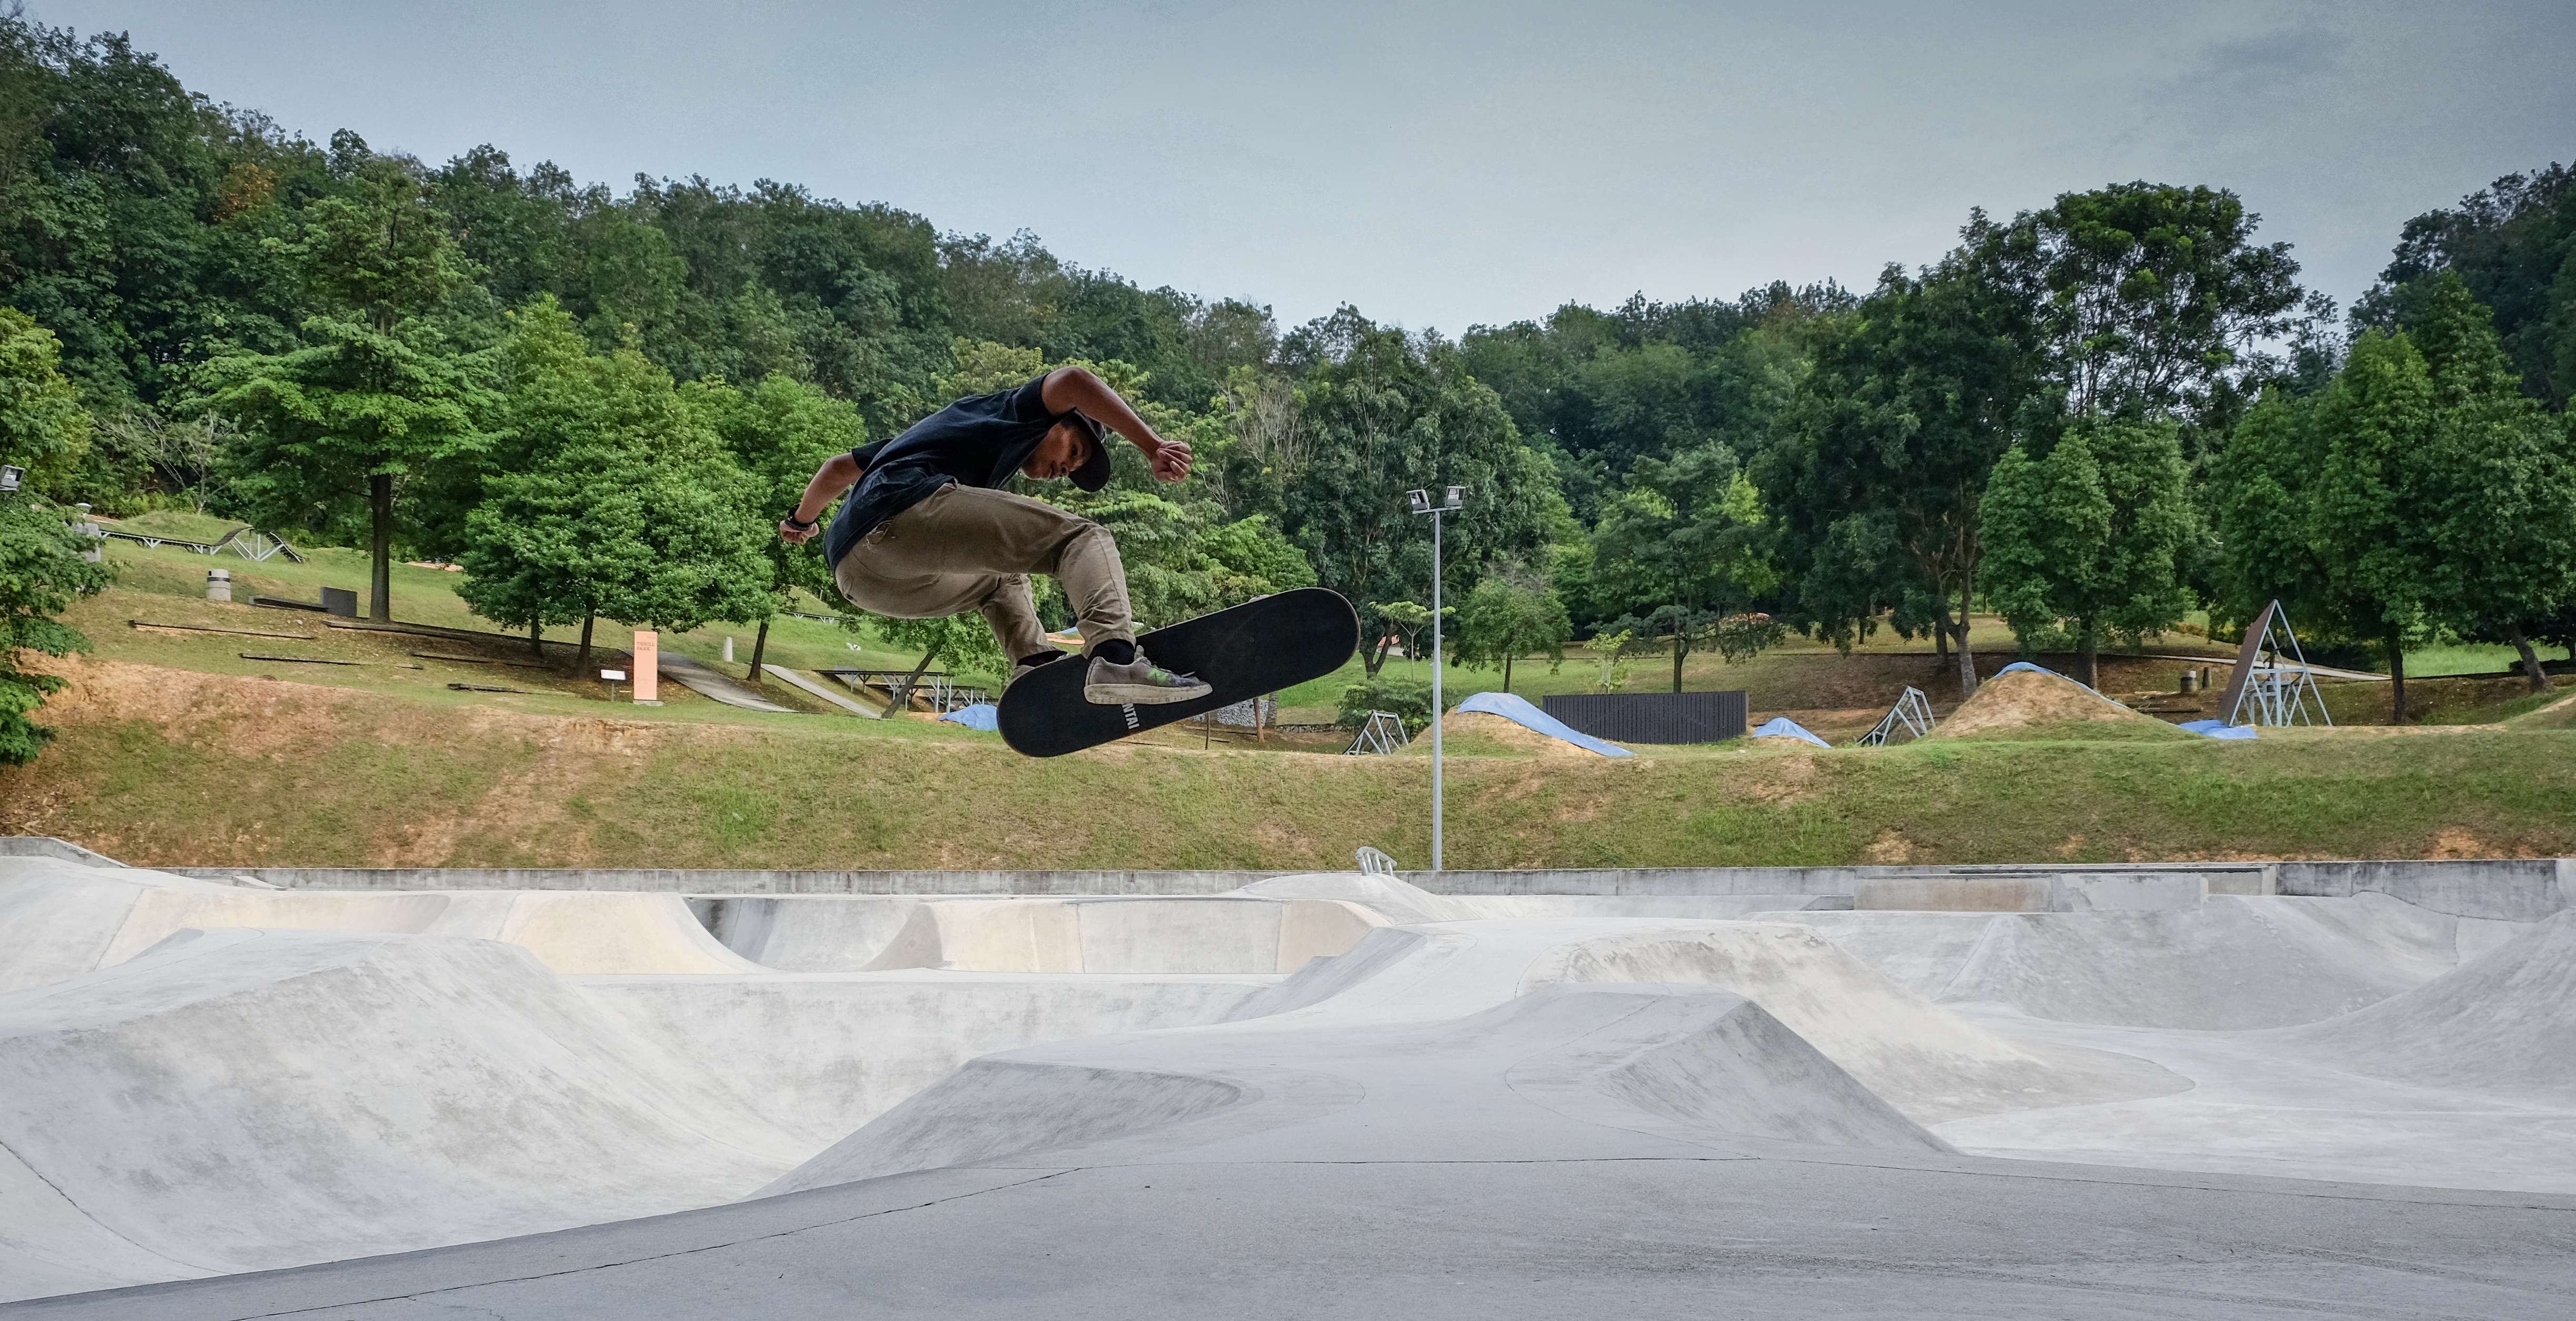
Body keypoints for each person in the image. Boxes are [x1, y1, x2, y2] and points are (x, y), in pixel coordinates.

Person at [776, 366, 1213, 705]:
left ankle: (1035, 668)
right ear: (1056, 420)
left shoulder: (925, 437)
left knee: (1001, 577)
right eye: (1074, 451)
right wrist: (1153, 445)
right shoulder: (1016, 412)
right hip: (901, 512)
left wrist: (801, 522)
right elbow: (1076, 381)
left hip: (861, 578)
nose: (1065, 470)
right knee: (1081, 539)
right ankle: (1116, 658)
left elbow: (838, 469)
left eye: (1073, 471)